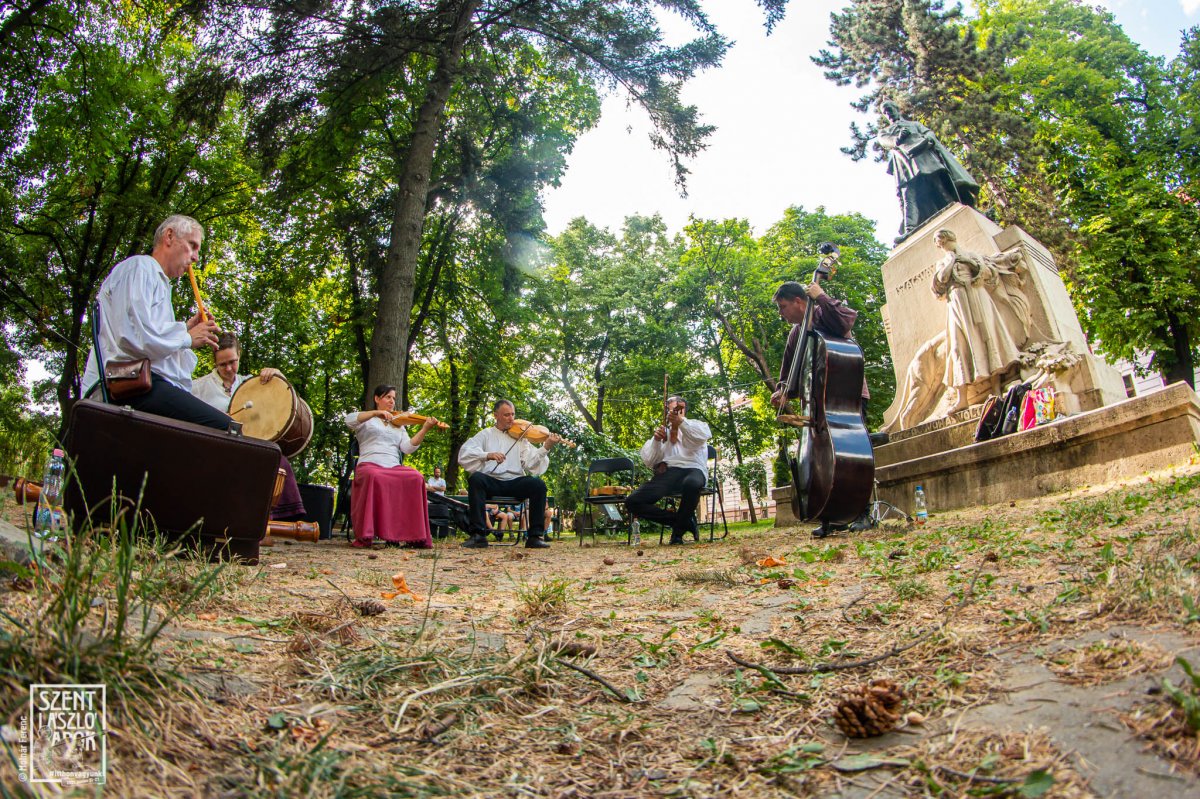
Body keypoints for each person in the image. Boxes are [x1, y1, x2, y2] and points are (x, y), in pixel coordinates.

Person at [81, 214, 227, 429]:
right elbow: (135, 337)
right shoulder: (140, 267)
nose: (195, 257)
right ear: (169, 236)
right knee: (224, 429)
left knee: (218, 428)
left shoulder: (158, 281)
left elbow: (146, 332)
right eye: (192, 245)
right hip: (125, 385)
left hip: (142, 384)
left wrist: (185, 328)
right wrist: (186, 337)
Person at [769, 281, 871, 536]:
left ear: (798, 302)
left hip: (846, 395)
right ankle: (830, 515)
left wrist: (822, 296)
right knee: (820, 461)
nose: (781, 314)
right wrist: (782, 392)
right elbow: (789, 375)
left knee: (852, 457)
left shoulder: (825, 313)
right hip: (817, 407)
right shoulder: (795, 333)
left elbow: (846, 322)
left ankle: (863, 512)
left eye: (783, 307)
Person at [190, 331, 306, 520]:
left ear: (239, 355)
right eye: (222, 364)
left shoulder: (252, 384)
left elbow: (282, 399)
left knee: (277, 459)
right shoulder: (198, 388)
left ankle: (265, 520)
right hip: (215, 449)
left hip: (248, 446)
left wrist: (278, 375)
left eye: (232, 362)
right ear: (214, 362)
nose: (228, 368)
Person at [931, 228, 1031, 413]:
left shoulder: (971, 255)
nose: (940, 242)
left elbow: (988, 274)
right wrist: (951, 261)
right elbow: (940, 281)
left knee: (989, 338)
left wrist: (970, 263)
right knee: (958, 346)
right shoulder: (942, 262)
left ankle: (995, 389)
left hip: (977, 296)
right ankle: (962, 398)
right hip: (957, 301)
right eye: (938, 240)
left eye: (940, 239)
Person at [344, 385, 441, 548]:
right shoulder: (366, 419)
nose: (392, 401)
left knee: (416, 477)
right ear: (377, 399)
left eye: (394, 398)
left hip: (393, 466)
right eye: (388, 397)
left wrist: (424, 428)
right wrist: (376, 413)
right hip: (370, 463)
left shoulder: (399, 425)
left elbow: (407, 448)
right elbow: (349, 420)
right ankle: (368, 533)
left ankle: (414, 536)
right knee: (374, 475)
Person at [457, 399, 561, 549]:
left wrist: (545, 448)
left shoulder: (520, 438)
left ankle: (534, 537)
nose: (511, 418)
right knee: (476, 478)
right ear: (496, 415)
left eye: (513, 414)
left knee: (538, 484)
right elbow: (464, 453)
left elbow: (531, 464)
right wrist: (487, 455)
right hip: (492, 482)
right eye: (506, 415)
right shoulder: (485, 434)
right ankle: (478, 535)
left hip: (514, 482)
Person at [877, 101, 980, 243]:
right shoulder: (885, 131)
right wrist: (898, 138)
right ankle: (910, 229)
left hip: (925, 156)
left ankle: (955, 209)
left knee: (938, 184)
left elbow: (928, 133)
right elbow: (884, 141)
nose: (888, 113)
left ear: (896, 109)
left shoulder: (914, 124)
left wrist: (927, 139)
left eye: (889, 109)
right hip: (904, 164)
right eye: (885, 112)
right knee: (908, 194)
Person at [625, 395, 712, 545]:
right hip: (671, 473)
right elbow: (649, 460)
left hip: (694, 469)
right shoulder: (663, 432)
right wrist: (657, 441)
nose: (671, 414)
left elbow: (702, 436)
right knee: (632, 502)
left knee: (691, 483)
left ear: (682, 408)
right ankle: (682, 521)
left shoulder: (695, 425)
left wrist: (681, 423)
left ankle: (677, 534)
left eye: (675, 410)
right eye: (668, 410)